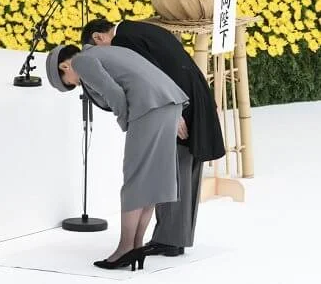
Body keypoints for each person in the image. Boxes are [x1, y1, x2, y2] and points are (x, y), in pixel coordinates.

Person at [81, 18, 225, 257]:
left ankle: (169, 240)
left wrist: (175, 114)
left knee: (171, 170)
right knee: (186, 169)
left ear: (98, 38)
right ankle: (175, 238)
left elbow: (154, 76)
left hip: (176, 103)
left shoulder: (125, 39)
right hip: (193, 94)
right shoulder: (140, 28)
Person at [45, 43, 189, 271]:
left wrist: (126, 123)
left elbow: (114, 93)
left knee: (135, 180)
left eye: (69, 82)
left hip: (147, 107)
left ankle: (125, 249)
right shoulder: (106, 51)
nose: (76, 84)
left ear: (65, 65)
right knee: (153, 179)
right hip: (168, 102)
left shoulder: (81, 61)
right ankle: (136, 246)